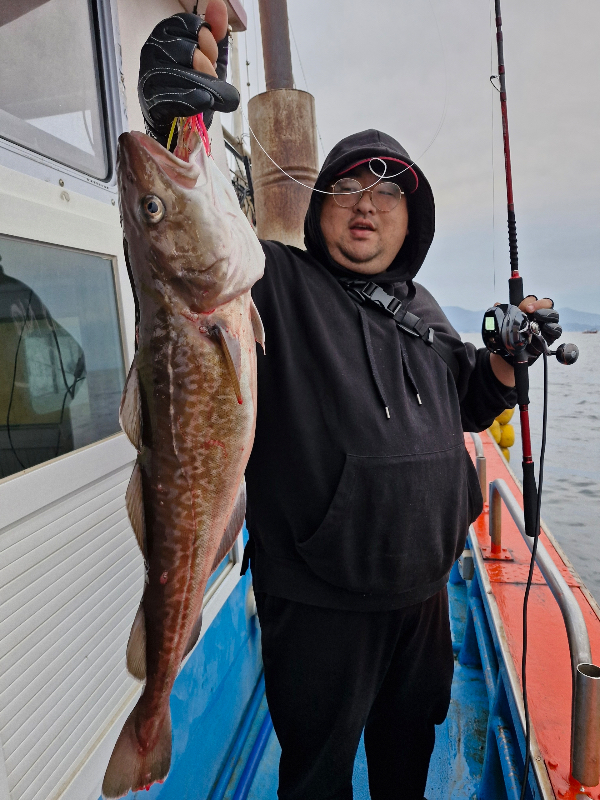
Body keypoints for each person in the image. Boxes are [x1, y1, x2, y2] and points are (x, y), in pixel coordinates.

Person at [137, 10, 558, 799]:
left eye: (388, 190)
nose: (367, 203)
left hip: (424, 599)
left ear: (412, 218)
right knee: (318, 777)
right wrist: (174, 120)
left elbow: (467, 400)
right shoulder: (271, 283)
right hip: (317, 605)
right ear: (319, 204)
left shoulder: (423, 307)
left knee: (407, 758)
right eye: (348, 187)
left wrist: (508, 357)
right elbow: (183, 251)